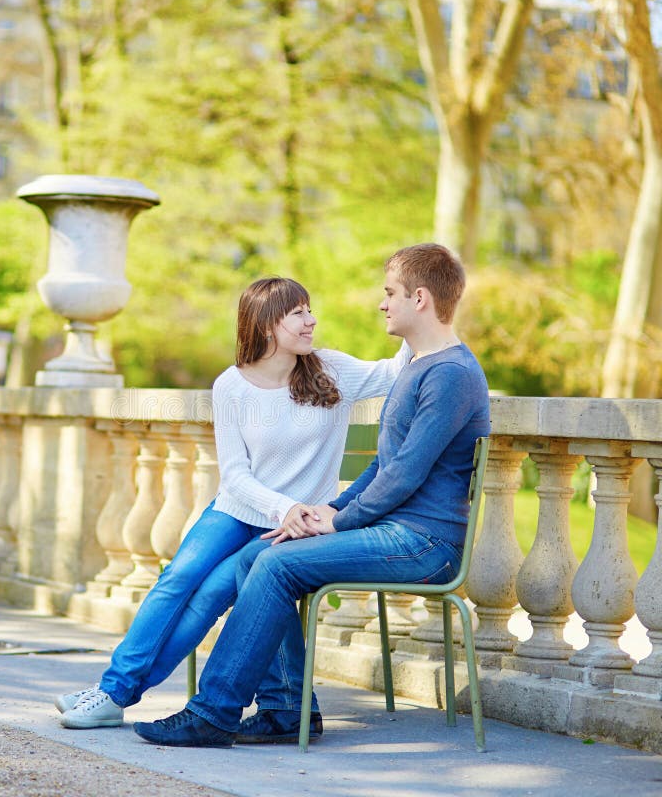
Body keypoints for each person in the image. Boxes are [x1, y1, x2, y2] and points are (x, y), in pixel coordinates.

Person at [132, 242, 490, 748]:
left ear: (421, 299)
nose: (382, 303)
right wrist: (332, 509)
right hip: (395, 530)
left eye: (390, 293)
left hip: (425, 543)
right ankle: (285, 709)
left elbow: (405, 476)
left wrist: (338, 522)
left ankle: (213, 712)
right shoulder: (420, 366)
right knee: (255, 556)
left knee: (275, 564)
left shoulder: (449, 374)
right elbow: (384, 467)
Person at [56, 276, 412, 729]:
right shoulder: (232, 387)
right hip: (237, 511)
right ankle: (111, 690)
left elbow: (395, 370)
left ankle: (115, 696)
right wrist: (281, 504)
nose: (312, 320)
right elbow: (236, 476)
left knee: (209, 596)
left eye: (309, 309)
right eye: (298, 313)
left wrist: (412, 310)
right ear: (266, 326)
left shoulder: (330, 370)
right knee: (176, 578)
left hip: (292, 527)